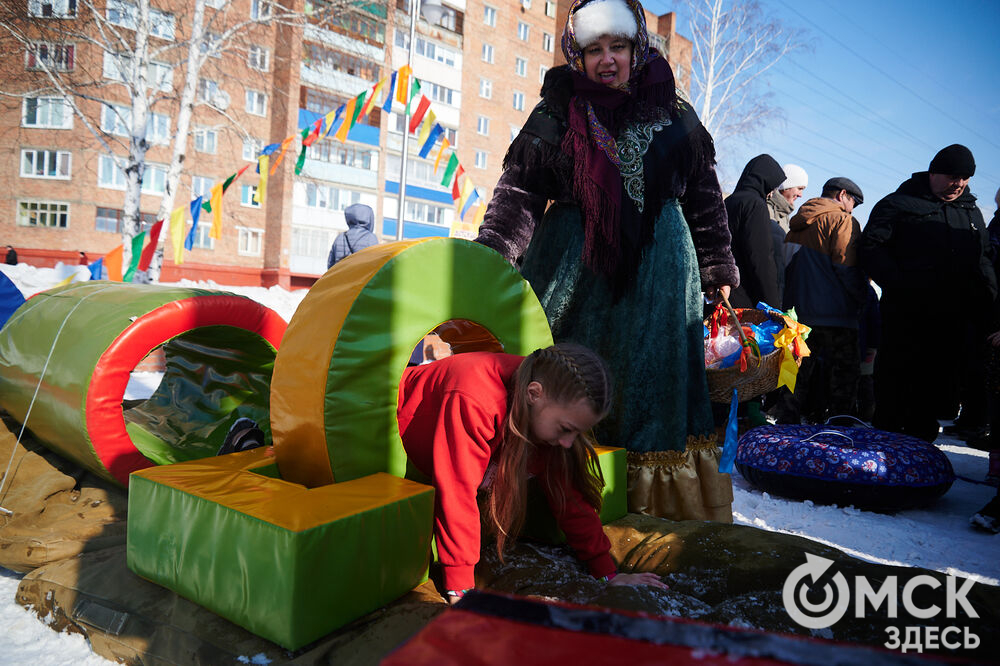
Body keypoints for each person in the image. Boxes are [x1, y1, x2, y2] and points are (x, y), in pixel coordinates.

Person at [475, 0, 738, 522]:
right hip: (571, 270)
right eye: (594, 50)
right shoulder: (556, 108)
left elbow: (705, 197)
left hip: (661, 276)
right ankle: (549, 503)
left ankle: (648, 512)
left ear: (637, 46)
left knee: (651, 387)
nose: (607, 60)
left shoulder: (676, 111)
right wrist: (491, 255)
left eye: (617, 46)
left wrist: (717, 269)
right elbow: (520, 192)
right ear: (578, 53)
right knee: (563, 373)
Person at [397, 344, 668, 601]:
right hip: (405, 413)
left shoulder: (544, 411)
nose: (568, 442)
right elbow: (456, 492)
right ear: (533, 393)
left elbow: (570, 497)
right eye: (565, 429)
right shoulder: (475, 398)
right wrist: (460, 588)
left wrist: (606, 573)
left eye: (576, 432)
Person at [860, 144, 997, 443]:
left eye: (965, 178)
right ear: (933, 172)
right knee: (897, 384)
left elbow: (982, 261)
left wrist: (991, 308)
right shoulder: (897, 204)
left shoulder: (971, 212)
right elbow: (871, 247)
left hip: (952, 320)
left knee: (936, 391)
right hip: (906, 316)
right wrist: (900, 283)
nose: (958, 183)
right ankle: (887, 450)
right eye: (952, 176)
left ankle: (921, 456)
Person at [780, 177, 867, 423]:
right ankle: (840, 432)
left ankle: (787, 431)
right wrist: (862, 299)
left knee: (796, 374)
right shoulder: (842, 220)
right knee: (844, 377)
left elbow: (785, 268)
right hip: (837, 317)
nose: (852, 209)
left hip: (799, 316)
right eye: (853, 202)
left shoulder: (796, 225)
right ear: (842, 195)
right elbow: (847, 267)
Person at [725, 154, 786, 309]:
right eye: (772, 187)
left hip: (723, 294)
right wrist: (773, 307)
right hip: (743, 300)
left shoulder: (728, 201)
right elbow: (760, 258)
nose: (772, 193)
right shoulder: (755, 205)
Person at [767, 163, 809, 284]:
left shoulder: (785, 216)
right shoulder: (766, 208)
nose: (801, 195)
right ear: (786, 186)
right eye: (799, 188)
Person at [327, 203, 378, 269]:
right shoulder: (371, 238)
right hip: (362, 277)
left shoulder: (340, 237)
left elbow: (330, 264)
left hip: (342, 276)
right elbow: (376, 263)